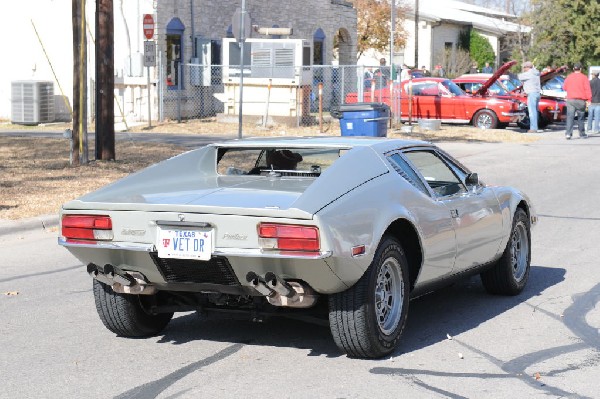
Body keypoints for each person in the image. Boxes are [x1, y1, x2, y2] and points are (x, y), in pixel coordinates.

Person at [563, 62, 592, 139]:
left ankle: (568, 134)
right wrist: (589, 99)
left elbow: (564, 87)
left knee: (570, 117)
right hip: (581, 101)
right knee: (581, 117)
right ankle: (582, 134)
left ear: (573, 69)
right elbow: (587, 89)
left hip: (570, 100)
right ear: (581, 69)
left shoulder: (569, 77)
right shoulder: (584, 77)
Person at [518, 61, 542, 133]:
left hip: (532, 94)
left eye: (524, 67)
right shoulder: (536, 73)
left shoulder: (529, 74)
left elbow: (519, 77)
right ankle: (535, 126)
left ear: (527, 67)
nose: (524, 69)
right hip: (537, 93)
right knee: (535, 111)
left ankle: (533, 128)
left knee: (532, 112)